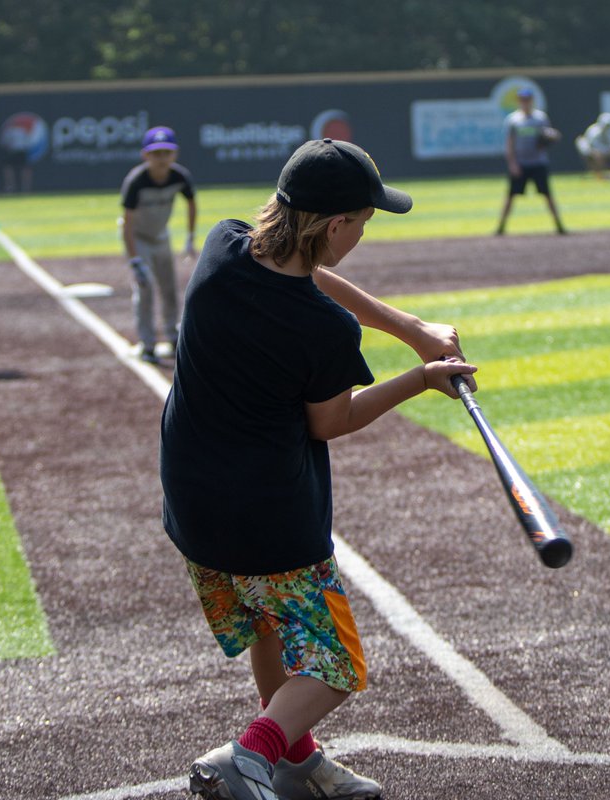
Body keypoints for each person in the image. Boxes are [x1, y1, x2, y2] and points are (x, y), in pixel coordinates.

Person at [160, 138, 477, 800]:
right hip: (270, 515)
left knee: (270, 625)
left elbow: (305, 271)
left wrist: (411, 326)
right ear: (336, 226)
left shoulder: (225, 245)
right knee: (335, 665)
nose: (363, 233)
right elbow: (331, 422)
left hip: (192, 504)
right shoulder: (323, 330)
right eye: (362, 222)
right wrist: (422, 378)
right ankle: (249, 756)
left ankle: (295, 762)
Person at [119, 126, 197, 363]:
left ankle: (172, 337)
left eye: (166, 152)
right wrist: (134, 260)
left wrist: (189, 237)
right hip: (139, 238)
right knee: (145, 288)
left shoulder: (179, 176)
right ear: (146, 155)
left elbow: (192, 203)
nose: (161, 158)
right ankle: (148, 343)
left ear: (175, 154)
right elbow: (127, 223)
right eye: (156, 153)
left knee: (169, 287)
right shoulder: (136, 181)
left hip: (161, 237)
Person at [495, 87, 566, 235]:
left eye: (527, 99)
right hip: (520, 163)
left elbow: (548, 135)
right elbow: (509, 144)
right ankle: (501, 227)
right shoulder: (513, 120)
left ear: (531, 100)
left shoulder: (540, 118)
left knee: (547, 194)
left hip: (538, 162)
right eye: (522, 99)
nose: (524, 102)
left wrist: (551, 137)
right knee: (511, 196)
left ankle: (559, 225)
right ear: (518, 101)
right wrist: (512, 164)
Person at [575, 111, 610, 180]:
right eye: (607, 125)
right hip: (591, 151)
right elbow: (593, 147)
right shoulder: (593, 131)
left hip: (604, 150)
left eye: (609, 125)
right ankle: (601, 176)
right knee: (597, 154)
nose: (608, 127)